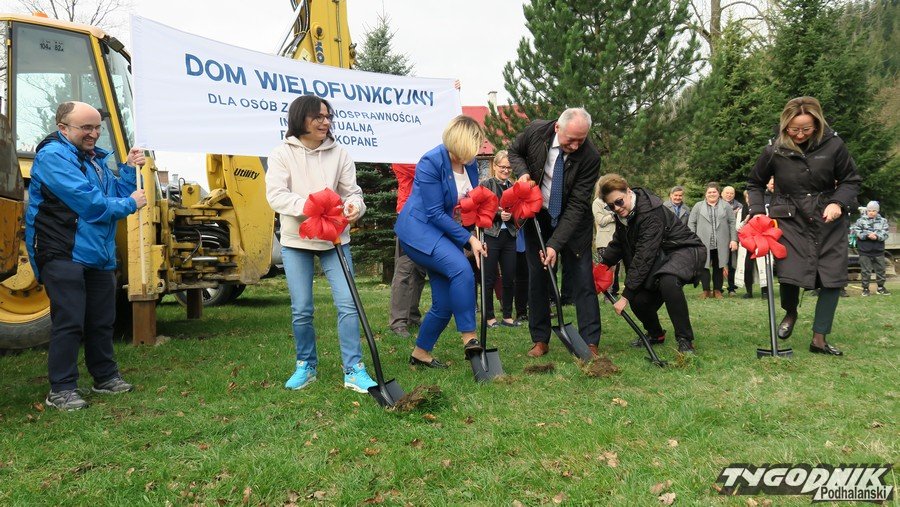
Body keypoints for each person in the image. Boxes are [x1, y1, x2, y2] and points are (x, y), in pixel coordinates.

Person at [24, 101, 147, 411]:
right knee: (69, 321)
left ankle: (105, 377)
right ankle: (62, 389)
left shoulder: (94, 160)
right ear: (63, 128)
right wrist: (131, 204)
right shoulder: (53, 158)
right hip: (62, 251)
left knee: (102, 320)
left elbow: (115, 193)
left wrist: (129, 169)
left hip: (98, 253)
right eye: (86, 128)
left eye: (96, 128)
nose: (93, 133)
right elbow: (91, 204)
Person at [265, 95, 377, 393]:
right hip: (296, 240)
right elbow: (276, 195)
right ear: (300, 118)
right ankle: (306, 365)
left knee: (348, 303)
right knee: (302, 309)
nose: (325, 122)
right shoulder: (281, 153)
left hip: (335, 240)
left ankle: (353, 369)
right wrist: (311, 206)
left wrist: (354, 207)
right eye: (318, 117)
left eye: (328, 117)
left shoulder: (340, 153)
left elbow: (353, 193)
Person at [747, 96, 861, 356]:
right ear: (785, 125)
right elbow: (754, 183)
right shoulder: (774, 149)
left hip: (828, 219)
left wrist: (838, 202)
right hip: (791, 219)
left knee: (832, 277)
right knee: (790, 271)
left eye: (806, 129)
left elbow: (851, 180)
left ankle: (819, 339)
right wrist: (757, 212)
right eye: (794, 129)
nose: (799, 134)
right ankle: (790, 312)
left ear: (817, 124)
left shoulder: (834, 145)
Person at [394, 115, 488, 368]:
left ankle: (420, 353)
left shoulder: (470, 165)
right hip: (419, 230)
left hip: (444, 232)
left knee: (444, 303)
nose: (477, 150)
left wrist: (475, 235)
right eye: (474, 144)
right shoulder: (431, 161)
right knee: (461, 269)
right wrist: (468, 240)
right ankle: (469, 338)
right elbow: (434, 212)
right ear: (462, 142)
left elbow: (469, 203)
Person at [508, 107, 601, 358]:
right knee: (538, 276)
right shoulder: (536, 131)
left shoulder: (590, 156)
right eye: (571, 139)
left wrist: (554, 245)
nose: (576, 145)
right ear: (558, 127)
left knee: (582, 278)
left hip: (574, 222)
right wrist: (523, 173)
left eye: (581, 139)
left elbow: (578, 204)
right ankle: (540, 339)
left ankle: (590, 341)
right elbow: (514, 151)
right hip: (538, 215)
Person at [597, 174, 705, 353]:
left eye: (619, 202)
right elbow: (619, 243)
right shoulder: (623, 216)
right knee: (638, 299)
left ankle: (685, 340)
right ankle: (656, 334)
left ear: (628, 192)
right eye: (611, 206)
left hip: (682, 249)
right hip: (659, 255)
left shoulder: (650, 214)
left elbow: (644, 256)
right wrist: (603, 265)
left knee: (668, 281)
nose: (617, 208)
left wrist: (625, 295)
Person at [480, 150, 520, 328]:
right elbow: (481, 209)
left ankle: (507, 315)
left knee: (509, 277)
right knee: (489, 277)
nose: (506, 170)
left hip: (509, 235)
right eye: (502, 166)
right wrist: (498, 215)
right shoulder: (486, 184)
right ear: (495, 166)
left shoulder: (514, 186)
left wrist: (512, 216)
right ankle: (489, 316)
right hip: (491, 235)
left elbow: (520, 212)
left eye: (509, 167)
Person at [388, 163, 427, 337]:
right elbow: (427, 172)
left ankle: (412, 316)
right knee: (404, 269)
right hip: (409, 216)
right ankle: (398, 321)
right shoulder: (402, 157)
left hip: (426, 216)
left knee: (419, 270)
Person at [688, 182, 737, 299]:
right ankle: (706, 290)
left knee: (719, 266)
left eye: (714, 192)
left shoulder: (726, 206)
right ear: (705, 194)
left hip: (721, 242)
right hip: (703, 242)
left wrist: (734, 240)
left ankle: (717, 290)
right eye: (709, 192)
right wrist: (692, 239)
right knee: (704, 267)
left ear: (718, 193)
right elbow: (691, 223)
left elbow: (732, 223)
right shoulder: (698, 206)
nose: (712, 194)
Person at [852, 201, 890, 296]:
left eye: (874, 210)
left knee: (881, 270)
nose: (871, 212)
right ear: (867, 211)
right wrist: (867, 235)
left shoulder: (883, 221)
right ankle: (865, 289)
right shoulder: (860, 221)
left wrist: (876, 236)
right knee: (866, 271)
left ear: (877, 211)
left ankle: (880, 287)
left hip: (878, 250)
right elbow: (856, 231)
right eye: (869, 210)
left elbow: (885, 233)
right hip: (864, 250)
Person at [593, 187, 620, 296]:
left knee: (615, 270)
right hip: (604, 240)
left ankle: (612, 294)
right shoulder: (597, 202)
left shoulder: (615, 199)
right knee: (606, 270)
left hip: (617, 239)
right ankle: (606, 295)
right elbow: (601, 221)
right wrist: (614, 215)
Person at [721, 186, 743, 295]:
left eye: (731, 193)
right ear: (722, 194)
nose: (729, 195)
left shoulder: (739, 206)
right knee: (719, 263)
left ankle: (731, 287)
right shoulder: (717, 204)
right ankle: (718, 288)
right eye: (727, 193)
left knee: (731, 263)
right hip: (720, 237)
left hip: (733, 238)